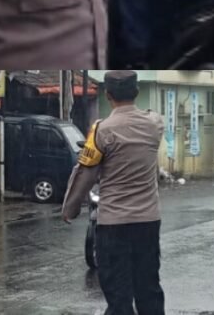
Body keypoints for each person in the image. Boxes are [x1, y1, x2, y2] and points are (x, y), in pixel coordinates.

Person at [62, 71, 165, 315]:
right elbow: (151, 115)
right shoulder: (155, 125)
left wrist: (71, 208)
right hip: (148, 222)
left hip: (113, 225)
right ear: (137, 92)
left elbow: (86, 173)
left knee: (119, 296)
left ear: (107, 95)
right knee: (149, 288)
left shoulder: (102, 130)